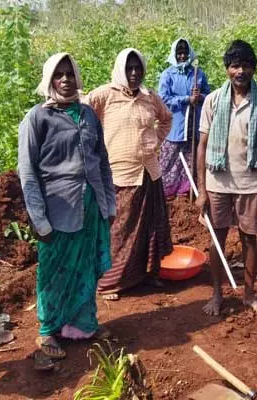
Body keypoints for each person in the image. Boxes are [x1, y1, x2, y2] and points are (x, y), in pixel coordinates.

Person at [17, 53, 116, 368]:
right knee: (53, 271)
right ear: (48, 80)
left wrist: (108, 202)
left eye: (70, 74)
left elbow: (102, 162)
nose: (65, 80)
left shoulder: (87, 115)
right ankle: (47, 330)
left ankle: (82, 324)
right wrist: (38, 218)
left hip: (89, 206)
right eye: (58, 75)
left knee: (85, 267)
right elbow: (28, 172)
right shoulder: (37, 118)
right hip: (56, 209)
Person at [195, 40, 257, 316]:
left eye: (245, 65)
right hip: (217, 182)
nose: (240, 71)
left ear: (253, 69)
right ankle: (217, 294)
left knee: (249, 238)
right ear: (227, 69)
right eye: (234, 65)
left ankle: (249, 295)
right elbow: (202, 146)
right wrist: (202, 190)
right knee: (217, 239)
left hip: (250, 182)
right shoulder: (213, 101)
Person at [86, 48, 173, 299]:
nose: (134, 73)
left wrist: (156, 140)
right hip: (120, 174)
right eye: (129, 68)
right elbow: (81, 115)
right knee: (119, 230)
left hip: (150, 172)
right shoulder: (105, 95)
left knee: (150, 227)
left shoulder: (149, 96)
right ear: (120, 70)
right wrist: (93, 147)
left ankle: (147, 274)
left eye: (138, 68)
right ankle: (109, 283)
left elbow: (166, 118)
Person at [158, 38, 211, 199]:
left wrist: (199, 96)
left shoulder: (198, 73)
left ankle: (186, 190)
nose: (182, 56)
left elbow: (209, 97)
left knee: (191, 159)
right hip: (176, 125)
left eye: (184, 53)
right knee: (170, 159)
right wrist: (186, 99)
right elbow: (163, 98)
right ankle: (166, 190)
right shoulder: (168, 75)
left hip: (193, 124)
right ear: (175, 54)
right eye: (179, 53)